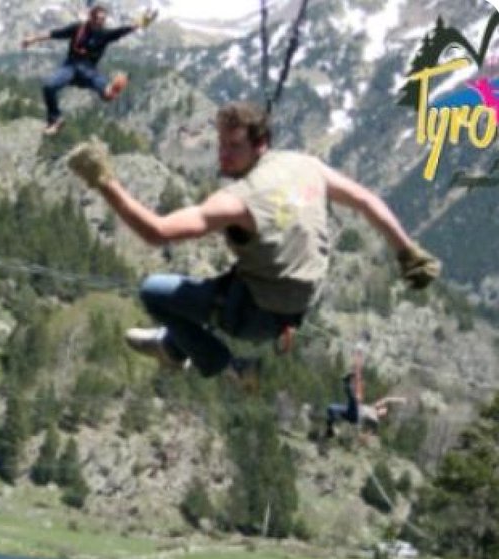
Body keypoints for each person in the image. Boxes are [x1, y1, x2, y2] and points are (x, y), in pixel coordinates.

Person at [65, 100, 442, 386]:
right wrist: (406, 251)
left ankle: (225, 365)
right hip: (293, 301)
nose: (222, 154)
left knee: (154, 293)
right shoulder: (305, 165)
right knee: (209, 290)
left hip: (253, 314)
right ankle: (175, 343)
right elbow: (365, 200)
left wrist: (105, 183)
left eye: (233, 147)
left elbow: (156, 232)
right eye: (220, 144)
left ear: (260, 146)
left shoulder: (238, 199)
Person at [20, 4, 158, 135]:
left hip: (88, 71)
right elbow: (54, 34)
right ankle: (55, 120)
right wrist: (32, 39)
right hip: (70, 67)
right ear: (90, 18)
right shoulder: (77, 29)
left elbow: (123, 30)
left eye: (103, 20)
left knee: (106, 94)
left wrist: (142, 22)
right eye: (98, 19)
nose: (101, 22)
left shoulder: (104, 34)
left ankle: (110, 91)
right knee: (48, 87)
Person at [325, 347, 406, 438]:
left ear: (382, 415)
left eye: (383, 412)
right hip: (349, 412)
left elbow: (372, 432)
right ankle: (329, 430)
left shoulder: (375, 419)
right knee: (331, 408)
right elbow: (387, 399)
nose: (382, 410)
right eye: (382, 409)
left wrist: (364, 436)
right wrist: (400, 399)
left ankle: (346, 382)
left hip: (355, 416)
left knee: (354, 399)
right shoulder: (373, 407)